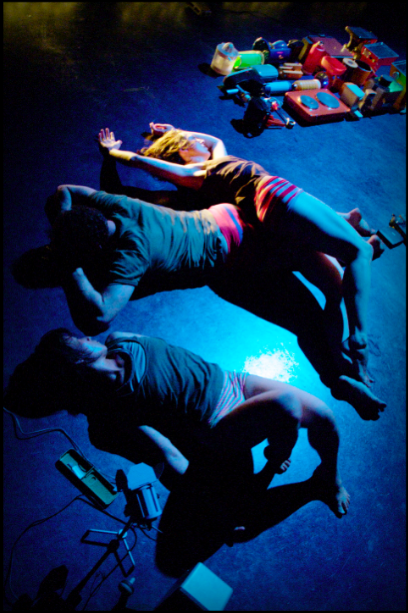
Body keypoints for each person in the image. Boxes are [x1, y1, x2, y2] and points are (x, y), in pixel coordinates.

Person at [97, 125, 384, 392]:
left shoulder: (218, 161)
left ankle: (340, 364)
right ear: (182, 151)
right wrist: (112, 153)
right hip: (269, 210)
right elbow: (140, 164)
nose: (200, 141)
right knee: (357, 256)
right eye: (191, 141)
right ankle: (356, 340)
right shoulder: (198, 173)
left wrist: (175, 131)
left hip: (274, 225)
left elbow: (214, 141)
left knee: (334, 292)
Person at [3, 328, 351, 519]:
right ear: (74, 366)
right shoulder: (111, 414)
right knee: (287, 405)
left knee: (325, 416)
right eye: (77, 340)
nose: (85, 336)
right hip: (219, 423)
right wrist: (215, 505)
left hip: (232, 381)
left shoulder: (119, 339)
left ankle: (328, 476)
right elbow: (166, 456)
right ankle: (276, 455)